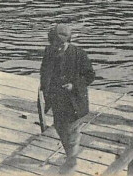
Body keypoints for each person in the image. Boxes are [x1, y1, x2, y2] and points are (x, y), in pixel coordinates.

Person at [40, 23, 95, 174]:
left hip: (74, 101)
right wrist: (44, 90)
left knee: (72, 129)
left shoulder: (79, 54)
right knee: (59, 126)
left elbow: (90, 75)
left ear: (68, 41)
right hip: (57, 99)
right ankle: (70, 155)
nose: (58, 48)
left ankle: (71, 162)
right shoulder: (49, 52)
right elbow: (44, 72)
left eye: (61, 44)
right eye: (55, 44)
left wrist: (74, 85)